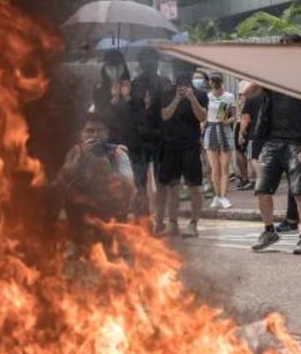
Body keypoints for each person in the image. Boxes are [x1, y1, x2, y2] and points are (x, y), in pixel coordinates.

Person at [249, 35, 301, 256]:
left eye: (287, 48)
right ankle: (269, 231)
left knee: (299, 191)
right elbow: (249, 92)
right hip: (273, 141)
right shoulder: (273, 77)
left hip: (296, 142)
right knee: (262, 189)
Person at [57, 112, 135, 255]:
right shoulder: (76, 152)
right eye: (89, 131)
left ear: (107, 133)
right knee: (68, 196)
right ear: (81, 135)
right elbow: (64, 179)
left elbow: (129, 184)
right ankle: (77, 242)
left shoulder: (117, 153)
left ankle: (118, 241)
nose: (95, 135)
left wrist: (106, 171)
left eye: (100, 131)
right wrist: (80, 160)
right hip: (84, 204)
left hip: (110, 204)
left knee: (111, 248)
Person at [157, 62, 208, 238]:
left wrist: (191, 98)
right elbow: (164, 115)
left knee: (194, 186)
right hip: (170, 145)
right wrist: (177, 98)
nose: (182, 77)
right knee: (172, 186)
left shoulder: (200, 94)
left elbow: (202, 117)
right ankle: (172, 223)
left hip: (191, 145)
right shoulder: (166, 93)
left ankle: (193, 224)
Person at [129, 49, 171, 228]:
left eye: (152, 61)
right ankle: (144, 218)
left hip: (160, 138)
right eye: (146, 61)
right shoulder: (134, 84)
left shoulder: (164, 83)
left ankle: (160, 218)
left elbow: (169, 109)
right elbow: (130, 111)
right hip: (139, 138)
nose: (149, 65)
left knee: (161, 181)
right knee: (140, 182)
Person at [203, 72, 236, 210]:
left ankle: (223, 196)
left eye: (215, 81)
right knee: (214, 168)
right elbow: (204, 115)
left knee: (224, 167)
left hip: (224, 130)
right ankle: (217, 196)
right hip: (211, 129)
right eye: (212, 81)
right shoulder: (207, 96)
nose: (213, 83)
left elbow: (234, 116)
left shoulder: (229, 96)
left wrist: (226, 120)